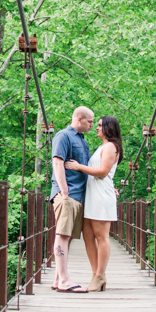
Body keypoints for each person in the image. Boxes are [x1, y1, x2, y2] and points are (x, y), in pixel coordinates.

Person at [64, 115, 122, 292]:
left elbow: (103, 172)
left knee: (101, 236)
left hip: (101, 196)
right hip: (92, 195)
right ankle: (96, 274)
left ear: (109, 128)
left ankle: (100, 275)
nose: (96, 127)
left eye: (99, 125)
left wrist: (79, 166)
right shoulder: (102, 147)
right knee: (87, 234)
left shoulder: (111, 147)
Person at [49, 106, 94, 293]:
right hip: (68, 195)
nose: (92, 125)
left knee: (67, 238)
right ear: (79, 119)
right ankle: (65, 280)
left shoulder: (82, 141)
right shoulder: (63, 136)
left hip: (78, 195)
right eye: (89, 121)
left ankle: (58, 278)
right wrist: (64, 190)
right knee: (62, 235)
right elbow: (57, 161)